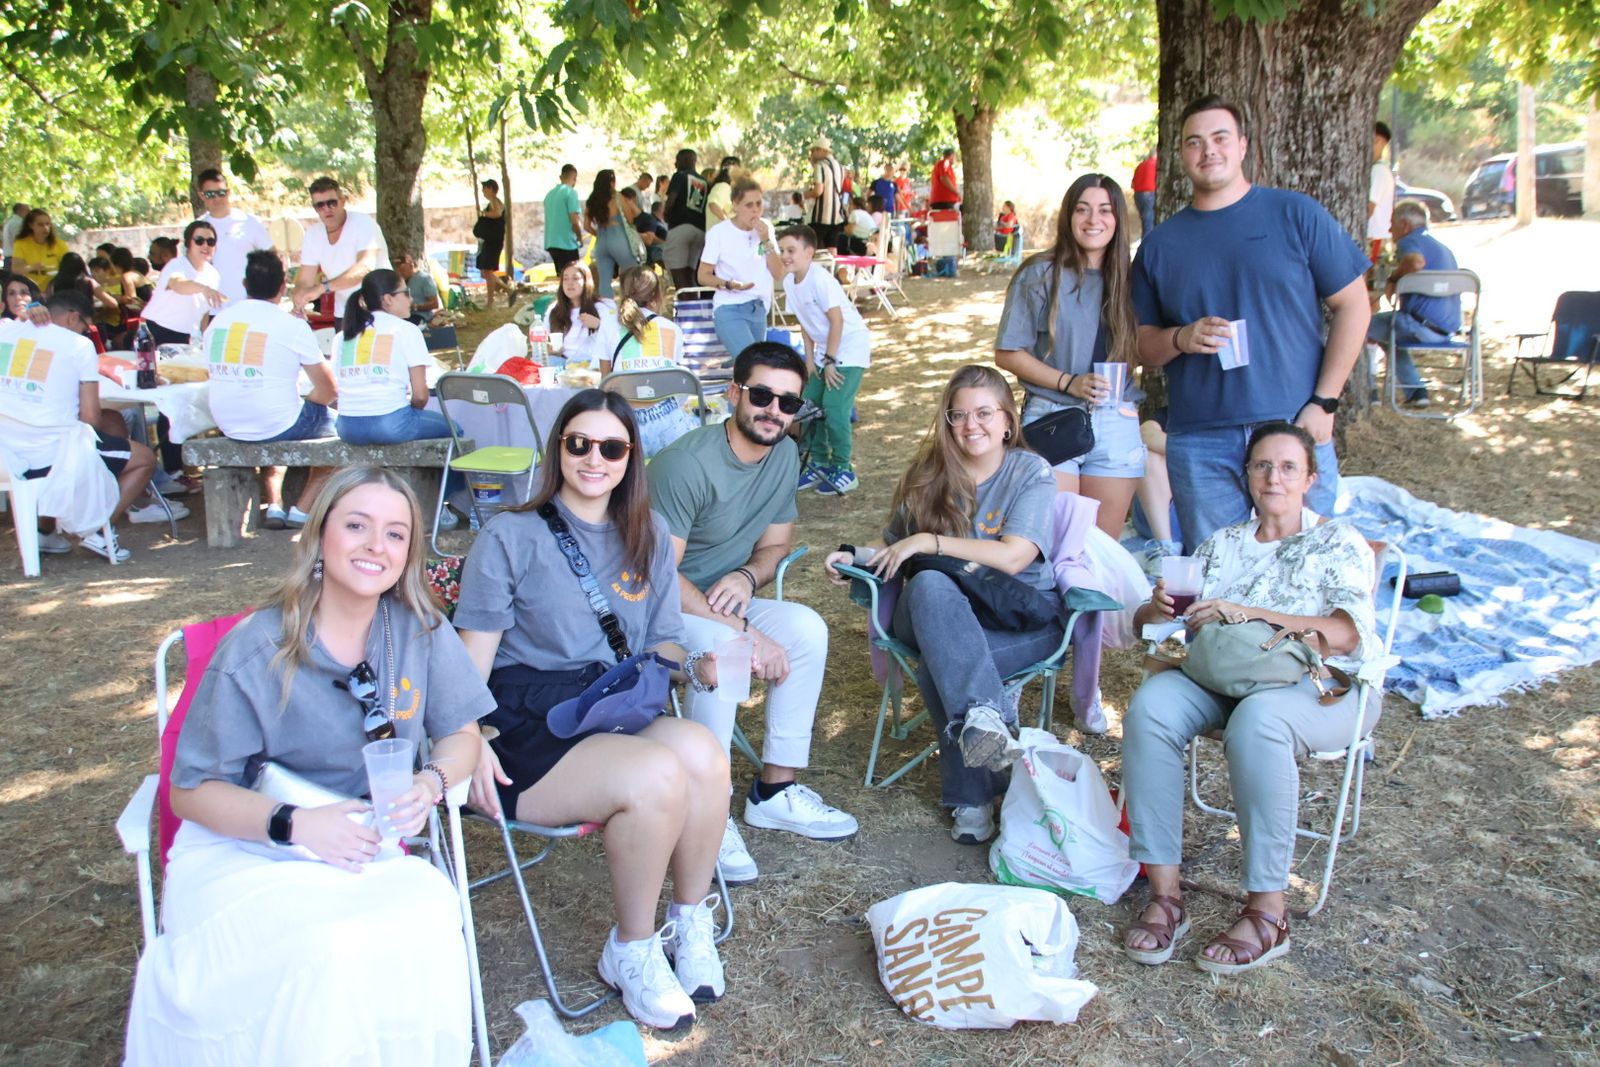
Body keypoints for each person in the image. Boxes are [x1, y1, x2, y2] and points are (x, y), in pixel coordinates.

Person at [124, 466, 492, 1063]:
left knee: (429, 908)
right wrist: (297, 824)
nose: (377, 545)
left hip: (365, 845)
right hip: (249, 846)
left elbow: (461, 734)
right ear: (320, 536)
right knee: (331, 948)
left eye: (396, 534)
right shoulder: (258, 646)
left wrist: (433, 780)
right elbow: (191, 792)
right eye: (357, 526)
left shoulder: (420, 631)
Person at [454, 391, 729, 1031]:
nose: (594, 458)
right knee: (658, 775)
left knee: (707, 759)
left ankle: (688, 923)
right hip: (528, 726)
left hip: (608, 706)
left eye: (612, 446)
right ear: (558, 449)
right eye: (579, 443)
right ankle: (630, 951)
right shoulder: (510, 535)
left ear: (631, 457)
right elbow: (472, 662)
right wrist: (466, 738)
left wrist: (691, 668)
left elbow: (662, 639)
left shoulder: (649, 536)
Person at [1120, 422, 1378, 975]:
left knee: (1260, 721)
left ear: (1310, 478)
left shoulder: (1336, 542)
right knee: (1151, 707)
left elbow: (1347, 634)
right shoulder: (1222, 546)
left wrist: (1253, 615)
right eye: (1262, 465)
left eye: (1288, 467)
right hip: (1223, 680)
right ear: (1247, 475)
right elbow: (1160, 633)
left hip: (1320, 689)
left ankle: (1268, 911)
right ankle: (1166, 896)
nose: (1274, 477)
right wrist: (1156, 610)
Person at [647, 342, 859, 886]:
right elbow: (660, 579)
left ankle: (775, 790)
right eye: (762, 395)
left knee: (808, 629)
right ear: (734, 393)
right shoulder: (685, 465)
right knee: (730, 650)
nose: (774, 411)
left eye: (788, 403)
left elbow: (774, 549)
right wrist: (744, 631)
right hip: (655, 608)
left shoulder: (784, 455)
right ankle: (707, 812)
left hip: (718, 596)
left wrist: (745, 578)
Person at [823, 364, 1060, 845]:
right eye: (958, 415)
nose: (971, 425)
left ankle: (972, 799)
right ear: (947, 420)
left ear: (1008, 421)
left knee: (944, 656)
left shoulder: (1029, 471)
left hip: (1019, 615)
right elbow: (893, 544)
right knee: (930, 586)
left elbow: (1016, 556)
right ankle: (993, 736)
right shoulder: (929, 475)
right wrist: (855, 556)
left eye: (984, 413)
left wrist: (931, 541)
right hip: (932, 608)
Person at [1131, 94, 1370, 551]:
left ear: (1242, 146)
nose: (1208, 151)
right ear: (1181, 155)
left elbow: (1354, 305)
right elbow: (1142, 345)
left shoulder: (1295, 214)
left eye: (1220, 138)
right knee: (1218, 576)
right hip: (1201, 438)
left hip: (1291, 423)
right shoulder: (1161, 245)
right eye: (1194, 142)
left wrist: (1325, 401)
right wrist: (1181, 337)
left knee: (1309, 567)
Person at [996, 174, 1145, 539]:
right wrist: (1069, 382)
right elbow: (1008, 352)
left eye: (1105, 210)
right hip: (1053, 413)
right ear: (1068, 216)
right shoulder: (1040, 273)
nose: (1093, 220)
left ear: (1118, 219)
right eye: (1083, 209)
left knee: (1101, 549)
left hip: (1117, 415)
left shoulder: (1133, 278)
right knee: (1058, 544)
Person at [0, 289, 159, 562]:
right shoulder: (78, 346)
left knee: (113, 423)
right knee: (143, 458)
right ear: (74, 318)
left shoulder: (5, 334)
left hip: (8, 453)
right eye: (86, 327)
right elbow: (90, 418)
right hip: (53, 455)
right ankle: (99, 530)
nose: (87, 333)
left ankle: (45, 530)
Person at [203, 250, 339, 529]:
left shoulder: (217, 323)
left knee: (275, 413)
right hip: (275, 423)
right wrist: (312, 404)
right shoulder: (290, 326)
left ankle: (275, 504)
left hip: (228, 423)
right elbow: (329, 388)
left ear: (244, 284)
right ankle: (302, 508)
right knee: (346, 429)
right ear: (282, 288)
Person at [779, 225, 869, 497]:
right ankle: (819, 463)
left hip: (849, 348)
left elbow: (837, 320)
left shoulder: (821, 280)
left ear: (808, 252)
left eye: (791, 250)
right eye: (782, 250)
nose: (785, 255)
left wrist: (830, 360)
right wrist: (810, 360)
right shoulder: (788, 283)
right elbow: (805, 323)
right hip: (823, 353)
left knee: (834, 407)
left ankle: (844, 468)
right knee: (809, 405)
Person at [333, 269, 453, 447]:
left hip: (346, 426)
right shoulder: (406, 330)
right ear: (388, 299)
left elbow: (338, 387)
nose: (411, 300)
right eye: (406, 293)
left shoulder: (342, 337)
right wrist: (410, 413)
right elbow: (420, 396)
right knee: (456, 432)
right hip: (390, 422)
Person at [1367, 199, 1457, 409]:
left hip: (1417, 324)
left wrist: (1393, 278)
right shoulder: (1441, 247)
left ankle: (1368, 391)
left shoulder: (1409, 241)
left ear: (1405, 225)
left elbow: (1415, 263)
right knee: (1387, 335)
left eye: (1392, 223)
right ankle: (1416, 391)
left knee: (1357, 327)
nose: (1389, 229)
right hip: (1446, 329)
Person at [697, 178, 782, 359]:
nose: (755, 210)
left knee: (750, 371)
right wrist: (728, 284)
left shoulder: (766, 229)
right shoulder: (719, 233)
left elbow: (778, 272)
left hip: (758, 307)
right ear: (735, 205)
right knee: (753, 363)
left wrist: (766, 239)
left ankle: (738, 387)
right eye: (749, 205)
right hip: (729, 307)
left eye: (759, 203)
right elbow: (703, 275)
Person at [291, 177, 391, 325]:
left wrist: (322, 288)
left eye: (332, 203)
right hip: (345, 311)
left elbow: (364, 268)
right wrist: (299, 299)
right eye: (320, 205)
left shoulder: (364, 224)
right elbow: (305, 280)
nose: (326, 209)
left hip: (381, 307)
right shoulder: (313, 234)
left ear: (343, 201)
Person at [196, 168, 277, 305]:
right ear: (201, 195)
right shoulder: (196, 229)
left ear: (229, 192)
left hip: (250, 305)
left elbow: (272, 259)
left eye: (221, 193)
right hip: (213, 309)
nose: (216, 198)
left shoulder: (249, 222)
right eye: (210, 194)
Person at [142, 219, 224, 345]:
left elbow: (204, 313)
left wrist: (206, 339)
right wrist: (203, 288)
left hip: (187, 336)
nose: (205, 246)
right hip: (158, 331)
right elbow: (177, 284)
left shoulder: (213, 274)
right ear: (188, 244)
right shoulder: (176, 265)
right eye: (199, 241)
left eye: (211, 242)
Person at [545, 260, 620, 372]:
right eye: (565, 279)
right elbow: (543, 341)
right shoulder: (554, 310)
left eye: (575, 278)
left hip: (595, 365)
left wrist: (599, 325)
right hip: (563, 365)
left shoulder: (604, 307)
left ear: (586, 281)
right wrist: (549, 348)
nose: (569, 283)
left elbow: (617, 338)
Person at [584, 168, 642, 299]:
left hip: (602, 239)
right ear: (611, 182)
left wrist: (597, 234)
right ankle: (634, 306)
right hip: (618, 237)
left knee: (604, 281)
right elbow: (629, 218)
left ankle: (607, 310)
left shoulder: (592, 201)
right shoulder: (617, 197)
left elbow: (586, 226)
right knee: (632, 275)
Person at [662, 149, 710, 290]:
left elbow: (671, 200)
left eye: (677, 159)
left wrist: (666, 214)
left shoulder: (679, 176)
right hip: (700, 231)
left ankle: (684, 310)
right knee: (690, 275)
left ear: (684, 160)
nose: (675, 163)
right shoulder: (704, 182)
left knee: (678, 275)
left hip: (680, 227)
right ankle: (696, 309)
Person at [12, 209, 69, 291]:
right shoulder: (21, 244)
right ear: (31, 225)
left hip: (54, 288)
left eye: (47, 224)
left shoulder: (59, 244)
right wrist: (31, 267)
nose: (45, 228)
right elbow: (16, 269)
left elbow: (68, 266)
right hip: (29, 289)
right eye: (40, 225)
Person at [806, 137, 846, 253]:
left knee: (815, 249)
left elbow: (818, 191)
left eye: (813, 151)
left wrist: (807, 194)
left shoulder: (820, 166)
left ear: (821, 150)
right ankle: (831, 271)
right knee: (832, 249)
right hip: (836, 215)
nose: (812, 154)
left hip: (821, 215)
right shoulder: (840, 167)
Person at [476, 178, 511, 307]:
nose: (483, 192)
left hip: (494, 242)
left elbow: (496, 213)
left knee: (488, 271)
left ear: (490, 189)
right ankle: (508, 290)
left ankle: (491, 300)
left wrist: (483, 214)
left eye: (484, 189)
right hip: (489, 241)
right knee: (485, 272)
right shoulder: (492, 203)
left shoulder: (496, 202)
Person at [543, 164, 584, 272]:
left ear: (561, 177)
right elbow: (574, 220)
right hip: (567, 244)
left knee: (563, 277)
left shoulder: (549, 195)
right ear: (574, 178)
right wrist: (580, 237)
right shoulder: (571, 193)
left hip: (551, 243)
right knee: (573, 276)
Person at [1367, 122, 1394, 267]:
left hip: (1374, 240)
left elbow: (1369, 208)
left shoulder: (1378, 171)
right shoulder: (1378, 170)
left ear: (1379, 142)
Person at [622, 188, 668, 267]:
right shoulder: (623, 221)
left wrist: (627, 232)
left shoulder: (648, 219)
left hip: (648, 258)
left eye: (622, 202)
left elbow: (648, 240)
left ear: (631, 199)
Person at [395, 252, 441, 324]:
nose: (399, 273)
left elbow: (434, 304)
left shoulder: (425, 279)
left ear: (411, 265)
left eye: (402, 270)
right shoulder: (401, 281)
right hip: (404, 315)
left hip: (419, 316)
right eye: (397, 270)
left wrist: (414, 307)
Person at [705, 156, 741, 226]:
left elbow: (725, 210)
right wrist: (727, 222)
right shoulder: (722, 186)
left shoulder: (728, 190)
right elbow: (713, 204)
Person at [1132, 148, 1158, 237]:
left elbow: (1132, 184)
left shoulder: (1140, 165)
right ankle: (1147, 247)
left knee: (1145, 222)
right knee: (1149, 225)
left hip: (1138, 195)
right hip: (1150, 194)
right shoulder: (1157, 165)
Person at [2, 202, 28, 271]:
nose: (29, 213)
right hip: (15, 258)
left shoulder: (9, 222)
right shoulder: (18, 223)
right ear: (19, 211)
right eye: (27, 210)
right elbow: (18, 241)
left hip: (9, 257)